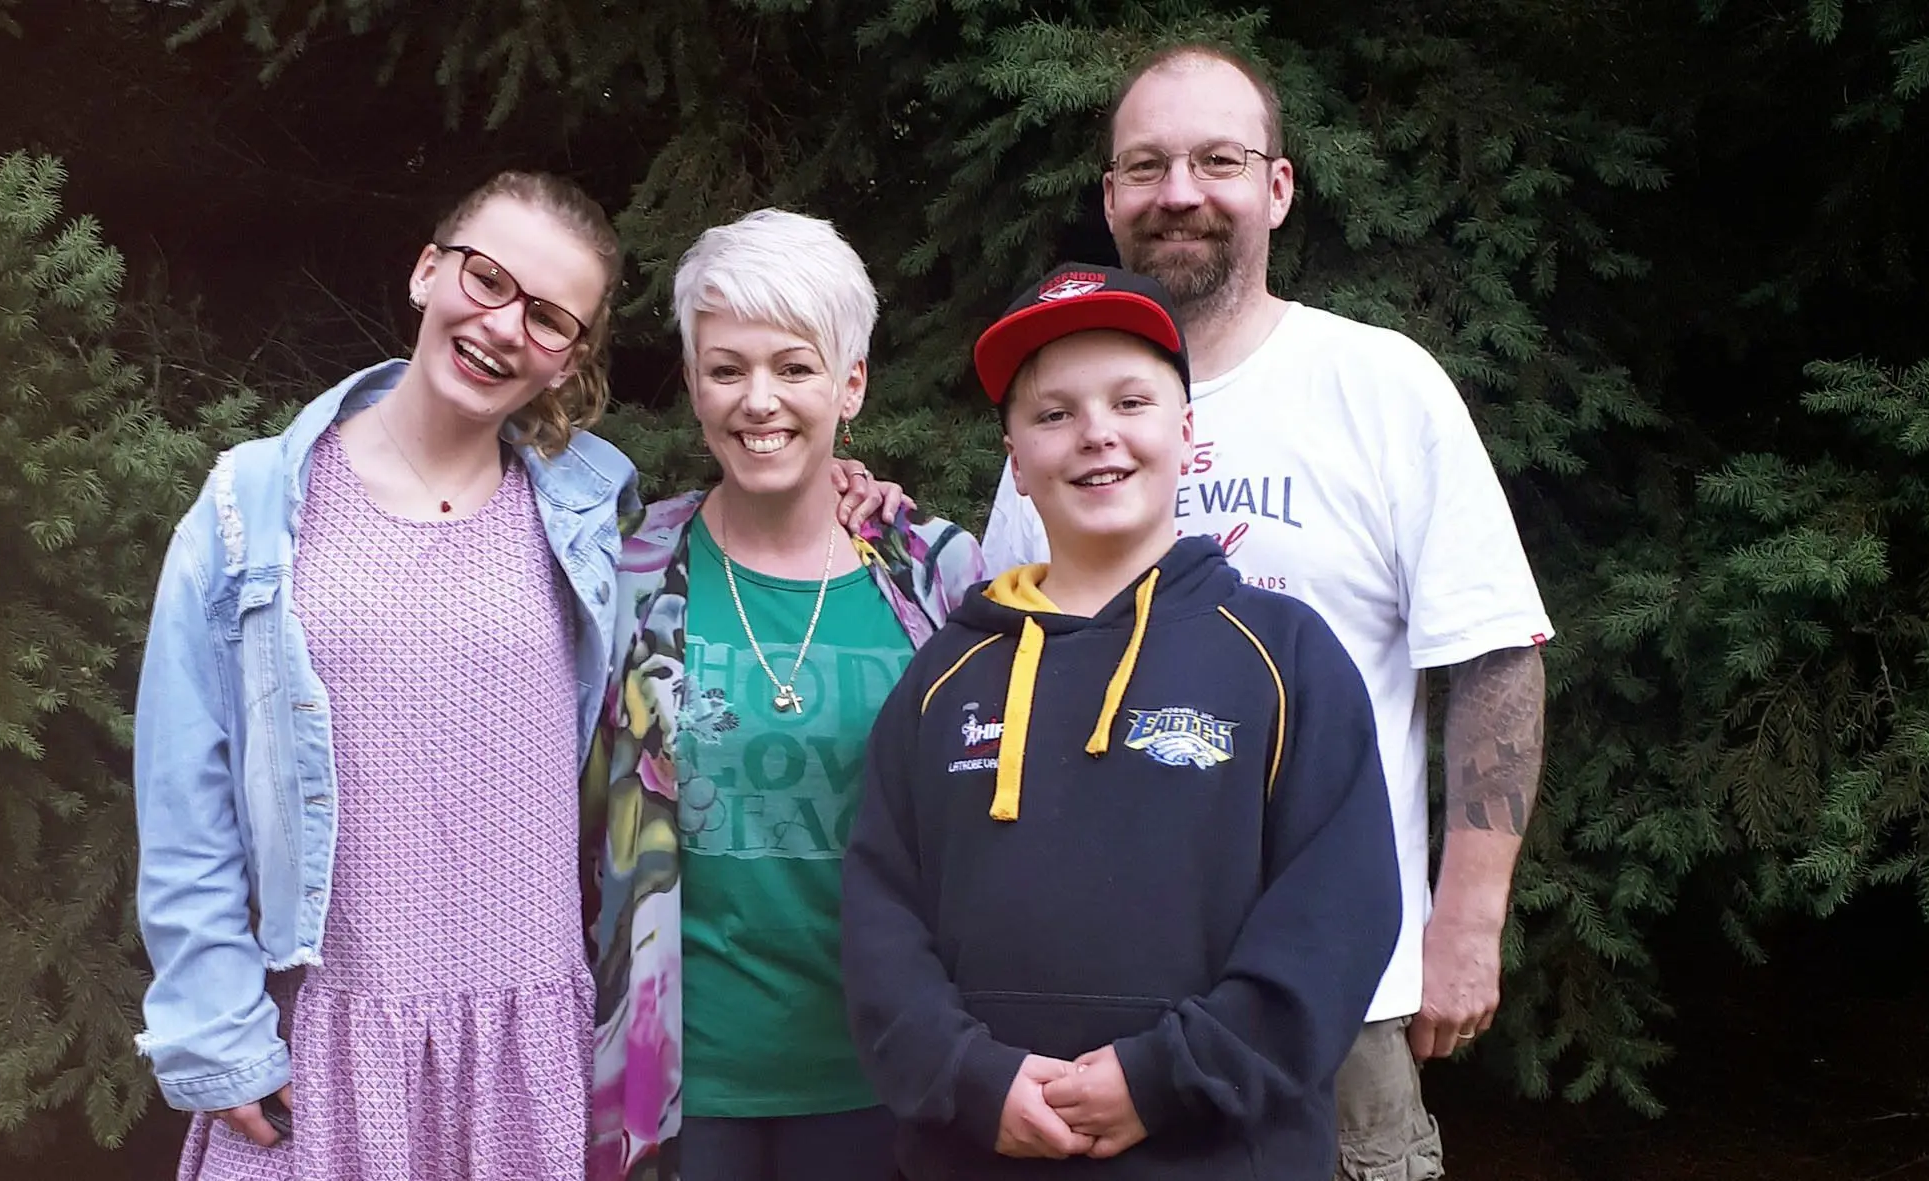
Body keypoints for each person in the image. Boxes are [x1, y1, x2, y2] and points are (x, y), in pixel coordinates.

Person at [132, 173, 898, 1181]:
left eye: (547, 316)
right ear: (426, 270)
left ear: (570, 356)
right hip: (326, 1048)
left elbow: (752, 537)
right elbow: (185, 790)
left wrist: (845, 488)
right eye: (487, 279)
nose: (502, 325)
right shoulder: (255, 507)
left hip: (529, 1049)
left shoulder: (593, 522)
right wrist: (212, 1027)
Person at [980, 45, 1554, 1180]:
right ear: (1110, 199)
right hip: (1099, 1001)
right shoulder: (1056, 419)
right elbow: (1007, 668)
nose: (1179, 191)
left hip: (1331, 998)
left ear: (1277, 187)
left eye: (1216, 160)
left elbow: (1492, 656)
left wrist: (1465, 922)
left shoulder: (1379, 385)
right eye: (1145, 166)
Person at [843, 261, 1400, 1179]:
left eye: (1129, 401)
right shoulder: (945, 672)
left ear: (1186, 434)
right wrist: (969, 1075)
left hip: (1221, 1152)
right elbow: (879, 914)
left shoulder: (1282, 656)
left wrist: (1164, 1077)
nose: (1095, 433)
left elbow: (1337, 915)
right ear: (1016, 460)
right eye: (1053, 414)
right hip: (979, 1151)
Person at [583, 208, 988, 1181]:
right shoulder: (627, 567)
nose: (758, 400)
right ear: (690, 381)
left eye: (794, 367)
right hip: (676, 1088)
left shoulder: (936, 577)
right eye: (727, 369)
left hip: (885, 1077)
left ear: (850, 382)